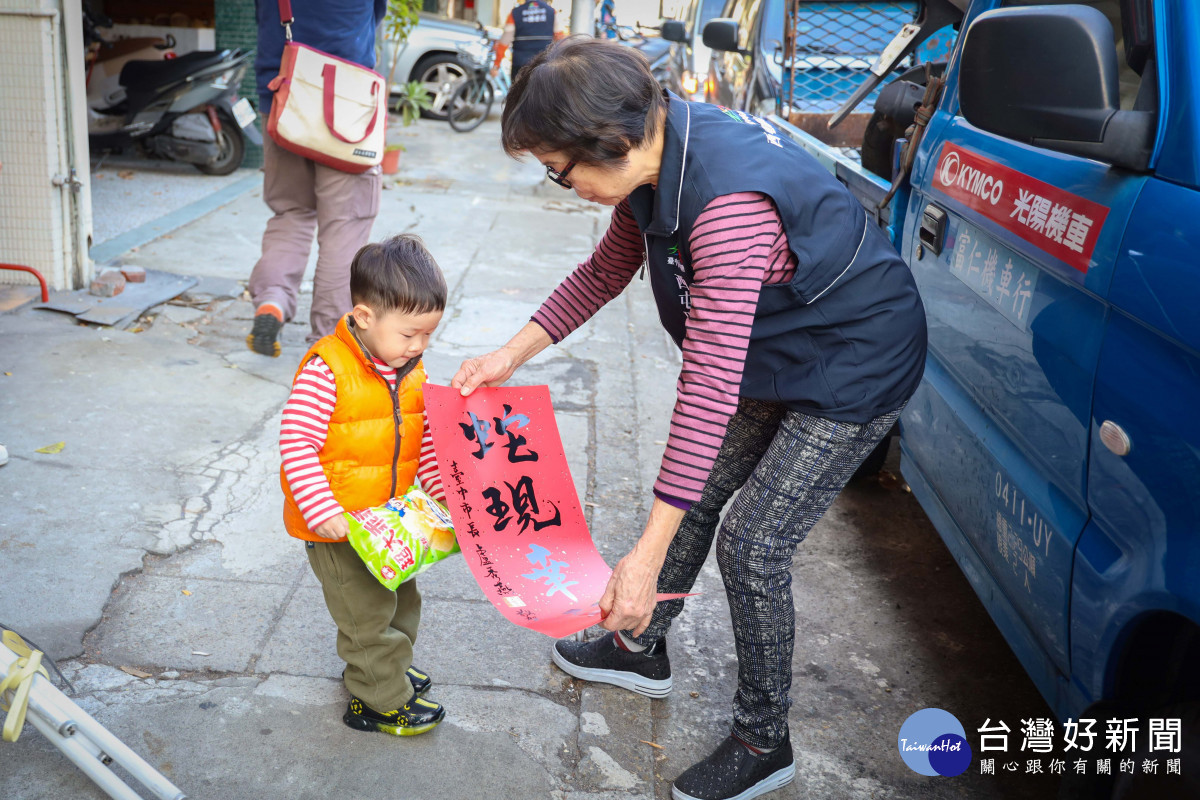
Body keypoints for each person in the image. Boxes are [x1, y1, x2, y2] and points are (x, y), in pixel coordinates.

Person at [452, 39, 927, 800]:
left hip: (852, 357)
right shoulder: (655, 153)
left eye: (557, 168)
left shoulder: (725, 208)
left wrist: (642, 559)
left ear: (610, 141)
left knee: (754, 542)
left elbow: (708, 388)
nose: (558, 183)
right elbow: (608, 270)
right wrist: (511, 355)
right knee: (697, 492)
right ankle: (641, 647)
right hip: (781, 338)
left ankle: (764, 738)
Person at [280, 234, 449, 736]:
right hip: (339, 526)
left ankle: (386, 669)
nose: (418, 346)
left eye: (427, 335)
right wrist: (322, 509)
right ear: (364, 315)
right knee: (367, 617)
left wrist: (441, 491)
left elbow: (427, 443)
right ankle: (376, 700)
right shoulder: (326, 369)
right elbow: (296, 444)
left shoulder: (409, 370)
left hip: (390, 523)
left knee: (401, 601)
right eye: (409, 334)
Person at [247, 0, 387, 357]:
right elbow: (376, 14)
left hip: (283, 96)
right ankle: (329, 341)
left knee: (290, 211)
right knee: (345, 225)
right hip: (348, 103)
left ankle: (272, 300)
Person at [489, 0, 567, 81]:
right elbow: (560, 38)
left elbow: (504, 42)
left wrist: (496, 65)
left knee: (518, 93)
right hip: (545, 64)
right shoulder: (551, 12)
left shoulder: (515, 13)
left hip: (520, 65)